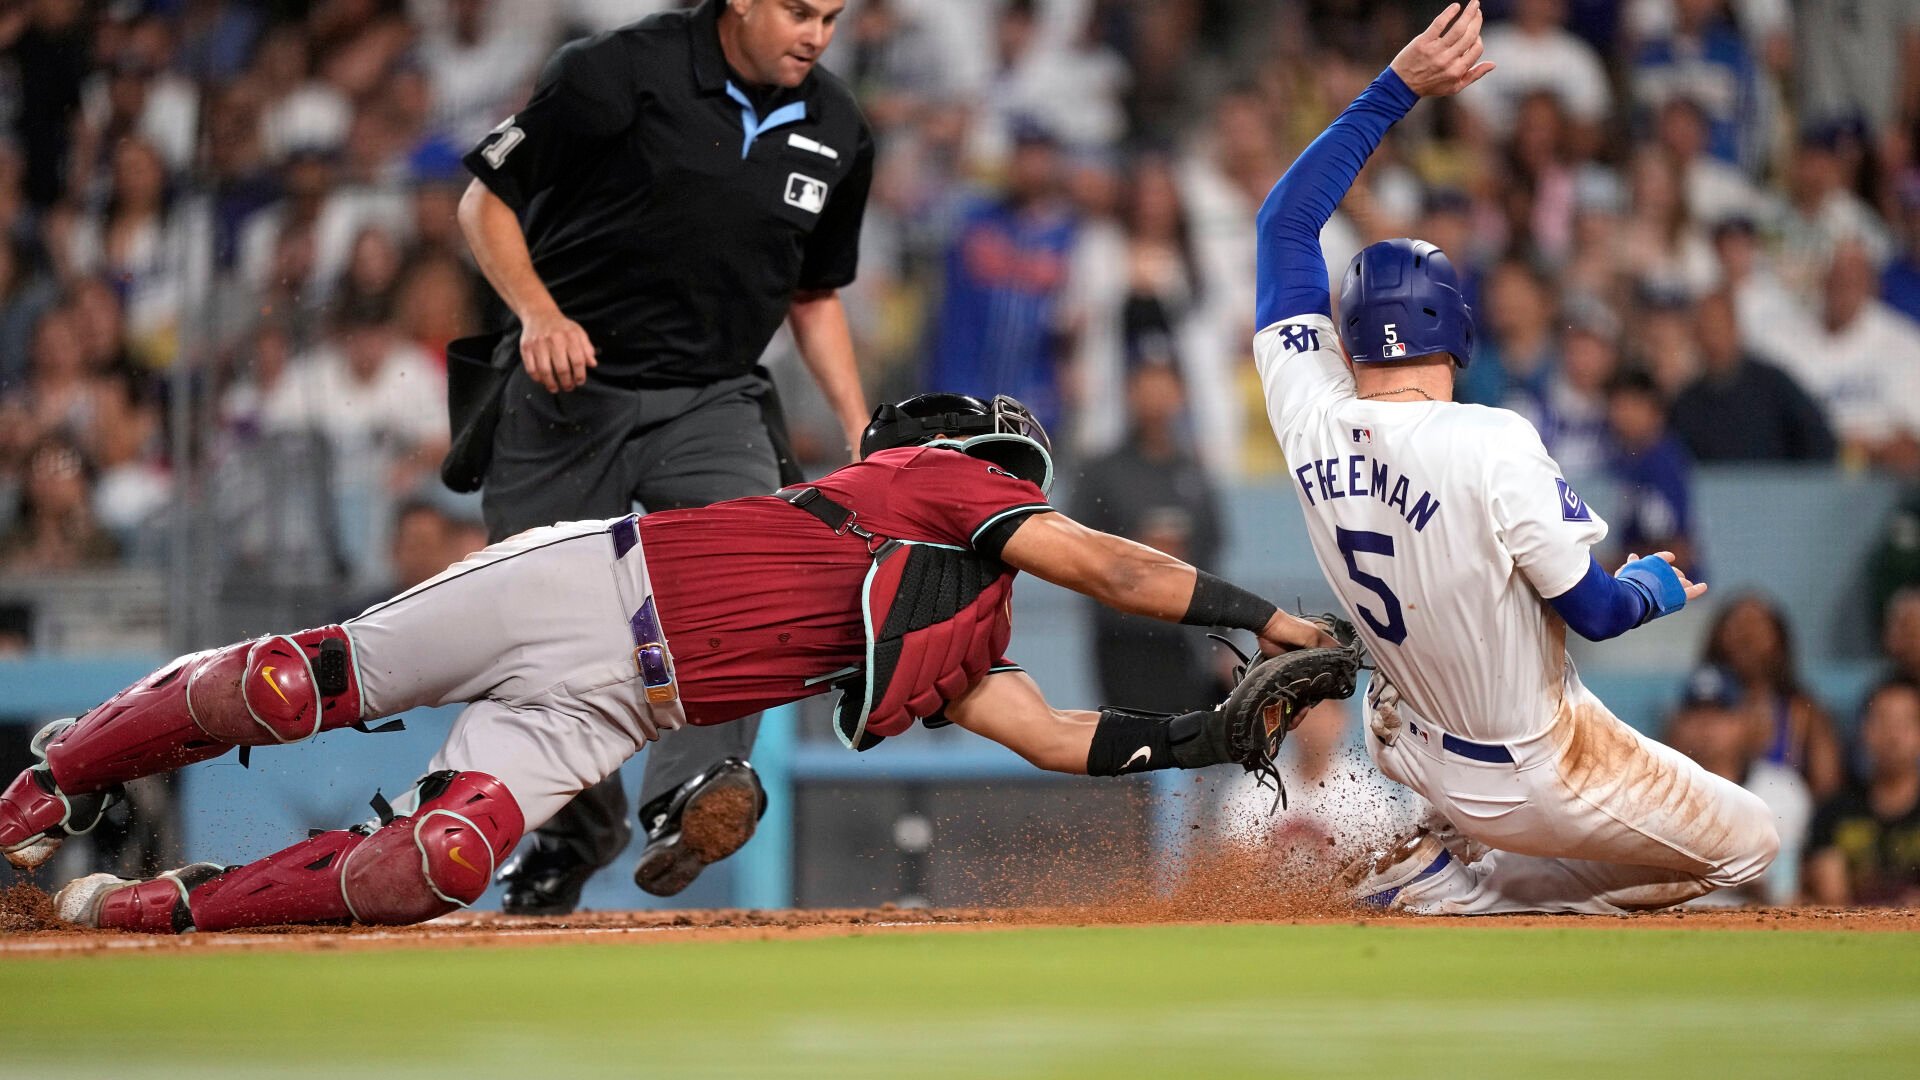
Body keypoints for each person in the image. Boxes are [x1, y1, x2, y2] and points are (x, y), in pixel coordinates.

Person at [0, 393, 1338, 933]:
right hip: (586, 579)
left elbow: (1052, 733)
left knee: (437, 866)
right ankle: (55, 779)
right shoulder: (925, 481)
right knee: (302, 685)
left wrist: (1213, 737)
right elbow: (1116, 570)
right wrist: (1264, 619)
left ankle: (144, 911)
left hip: (626, 702)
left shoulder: (962, 629)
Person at [1250, 1, 1779, 914]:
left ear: (1352, 335)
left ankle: (1449, 857)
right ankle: (1472, 888)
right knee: (1752, 847)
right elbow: (1600, 612)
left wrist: (1395, 89)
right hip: (1528, 767)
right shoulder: (1493, 438)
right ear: (1454, 329)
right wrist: (1654, 584)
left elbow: (1283, 228)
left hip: (1410, 739)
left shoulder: (1308, 412)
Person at [456, 0, 877, 912]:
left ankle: (693, 789)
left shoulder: (838, 125)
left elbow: (814, 292)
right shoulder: (614, 73)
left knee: (758, 577)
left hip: (714, 395)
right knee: (527, 637)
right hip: (570, 390)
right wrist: (538, 313)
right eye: (800, 11)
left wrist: (857, 423)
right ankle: (576, 828)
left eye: (834, 17)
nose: (818, 34)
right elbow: (484, 202)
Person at [1662, 666, 1811, 907]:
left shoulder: (1781, 788)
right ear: (1677, 723)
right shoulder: (1655, 789)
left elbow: (1784, 893)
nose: (1706, 725)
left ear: (1744, 722)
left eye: (1720, 712)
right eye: (1695, 712)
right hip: (1666, 924)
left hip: (1757, 925)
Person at [1703, 594, 1845, 800]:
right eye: (1739, 626)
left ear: (1779, 639)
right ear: (1719, 637)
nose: (1747, 636)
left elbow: (1827, 788)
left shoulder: (1804, 714)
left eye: (1757, 626)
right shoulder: (1693, 714)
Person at [1668, 289, 1836, 464]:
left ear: (1735, 329)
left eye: (1719, 327)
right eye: (1706, 329)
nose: (1713, 338)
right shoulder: (1686, 404)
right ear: (1696, 336)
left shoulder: (1773, 385)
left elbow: (1817, 437)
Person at [1803, 679, 1920, 906]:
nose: (1893, 736)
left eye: (1907, 722)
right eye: (1883, 721)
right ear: (1865, 730)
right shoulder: (1835, 812)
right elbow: (1832, 897)